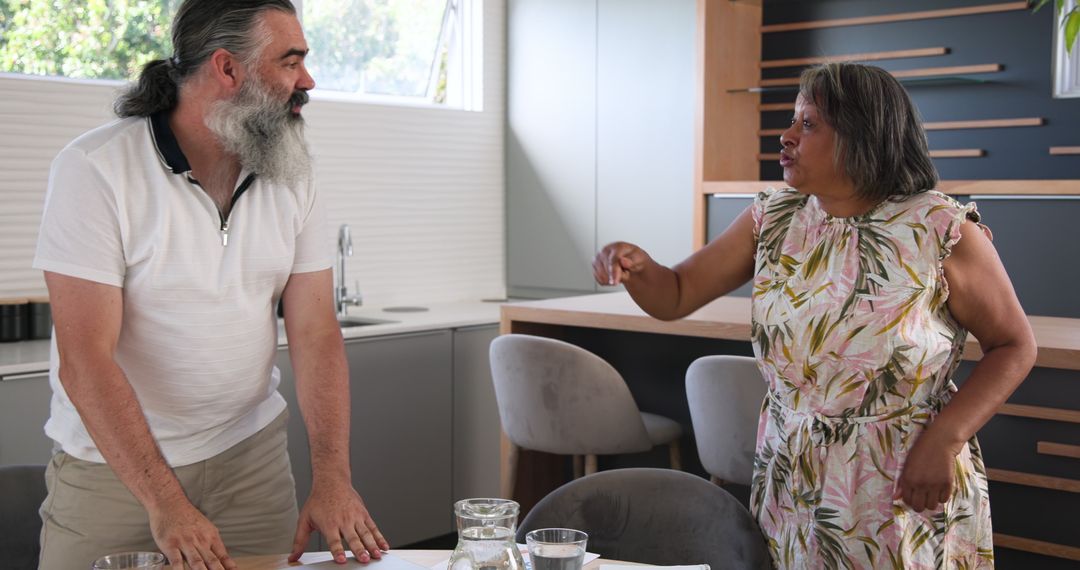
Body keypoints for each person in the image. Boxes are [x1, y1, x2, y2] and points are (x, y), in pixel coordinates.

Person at [593, 63, 1036, 568]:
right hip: (791, 473)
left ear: (863, 135)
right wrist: (637, 266)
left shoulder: (938, 228)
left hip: (902, 476)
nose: (786, 136)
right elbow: (674, 295)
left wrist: (945, 439)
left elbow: (1014, 346)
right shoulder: (774, 217)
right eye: (793, 120)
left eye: (809, 124)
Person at [32, 1, 389, 568]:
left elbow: (317, 332)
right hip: (116, 473)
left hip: (251, 463)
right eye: (290, 62)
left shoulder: (292, 171)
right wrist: (166, 503)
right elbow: (86, 361)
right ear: (227, 69)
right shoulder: (96, 169)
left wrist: (333, 479)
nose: (308, 81)